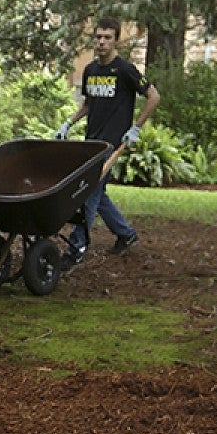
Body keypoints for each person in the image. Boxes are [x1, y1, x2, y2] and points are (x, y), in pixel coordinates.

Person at [55, 17, 160, 268]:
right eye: (98, 37)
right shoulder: (91, 70)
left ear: (116, 40)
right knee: (98, 193)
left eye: (107, 37)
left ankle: (76, 247)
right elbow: (89, 104)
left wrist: (135, 128)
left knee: (88, 192)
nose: (101, 42)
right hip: (91, 143)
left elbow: (153, 97)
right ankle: (126, 234)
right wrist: (68, 123)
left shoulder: (125, 70)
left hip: (112, 144)